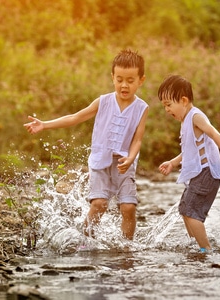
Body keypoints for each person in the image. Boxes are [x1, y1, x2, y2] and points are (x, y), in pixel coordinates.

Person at [24, 49, 148, 240]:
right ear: (112, 78)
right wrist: (44, 124)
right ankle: (85, 241)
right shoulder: (103, 101)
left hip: (125, 163)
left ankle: (127, 249)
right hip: (101, 160)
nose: (124, 85)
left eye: (130, 81)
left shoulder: (141, 108)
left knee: (128, 207)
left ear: (141, 80)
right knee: (99, 204)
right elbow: (75, 117)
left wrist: (131, 158)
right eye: (119, 79)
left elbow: (137, 139)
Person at [157, 75, 220, 253]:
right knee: (185, 209)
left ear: (183, 100)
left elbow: (214, 133)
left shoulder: (195, 116)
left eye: (169, 104)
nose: (166, 109)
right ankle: (196, 244)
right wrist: (172, 162)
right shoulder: (186, 120)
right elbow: (189, 150)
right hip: (199, 174)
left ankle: (205, 249)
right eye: (164, 106)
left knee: (192, 211)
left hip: (206, 173)